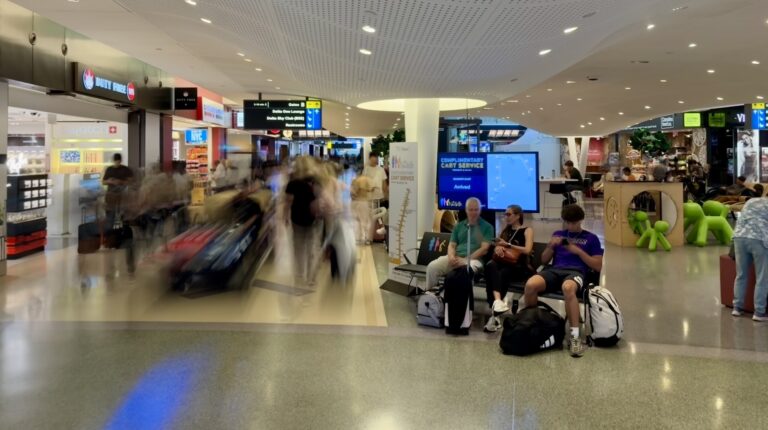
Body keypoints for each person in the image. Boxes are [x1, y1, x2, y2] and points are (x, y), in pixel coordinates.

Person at [523, 204, 603, 357]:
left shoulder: (591, 239)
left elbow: (598, 266)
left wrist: (578, 251)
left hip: (576, 272)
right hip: (554, 270)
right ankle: (533, 323)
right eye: (568, 222)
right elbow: (544, 260)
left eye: (574, 223)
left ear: (580, 221)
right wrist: (550, 246)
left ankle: (574, 337)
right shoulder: (558, 234)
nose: (571, 226)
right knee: (531, 285)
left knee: (568, 288)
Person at [483, 204, 534, 333]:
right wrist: (498, 247)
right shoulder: (505, 230)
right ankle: (498, 302)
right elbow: (497, 246)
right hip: (504, 263)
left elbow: (527, 250)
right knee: (490, 265)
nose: (506, 217)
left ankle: (495, 315)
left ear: (518, 216)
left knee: (501, 273)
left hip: (519, 267)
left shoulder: (527, 230)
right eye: (505, 214)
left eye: (508, 214)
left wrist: (508, 245)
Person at [425, 197, 494, 291]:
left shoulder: (488, 227)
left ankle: (463, 303)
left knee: (464, 272)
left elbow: (484, 249)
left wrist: (466, 260)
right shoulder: (459, 226)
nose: (473, 212)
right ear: (466, 210)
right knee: (432, 267)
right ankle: (431, 297)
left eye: (476, 209)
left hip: (475, 260)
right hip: (456, 257)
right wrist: (451, 257)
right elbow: (452, 245)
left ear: (480, 210)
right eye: (471, 209)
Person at [283, 156, 321, 286]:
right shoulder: (314, 181)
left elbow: (288, 202)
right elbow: (317, 199)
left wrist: (285, 216)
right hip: (311, 217)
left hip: (297, 217)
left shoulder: (292, 182)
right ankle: (311, 278)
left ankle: (299, 275)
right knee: (311, 248)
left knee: (298, 248)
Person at [731, 196, 768, 322]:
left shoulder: (751, 201)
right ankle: (759, 312)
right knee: (762, 277)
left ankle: (737, 308)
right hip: (759, 239)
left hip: (739, 237)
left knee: (741, 274)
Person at [102, 153, 134, 229]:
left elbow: (131, 181)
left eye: (118, 162)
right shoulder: (109, 169)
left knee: (123, 215)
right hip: (110, 196)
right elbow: (103, 182)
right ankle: (110, 232)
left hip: (122, 196)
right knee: (110, 216)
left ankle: (122, 232)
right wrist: (110, 181)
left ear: (120, 161)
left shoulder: (125, 169)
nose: (117, 163)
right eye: (116, 162)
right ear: (114, 161)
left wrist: (120, 182)